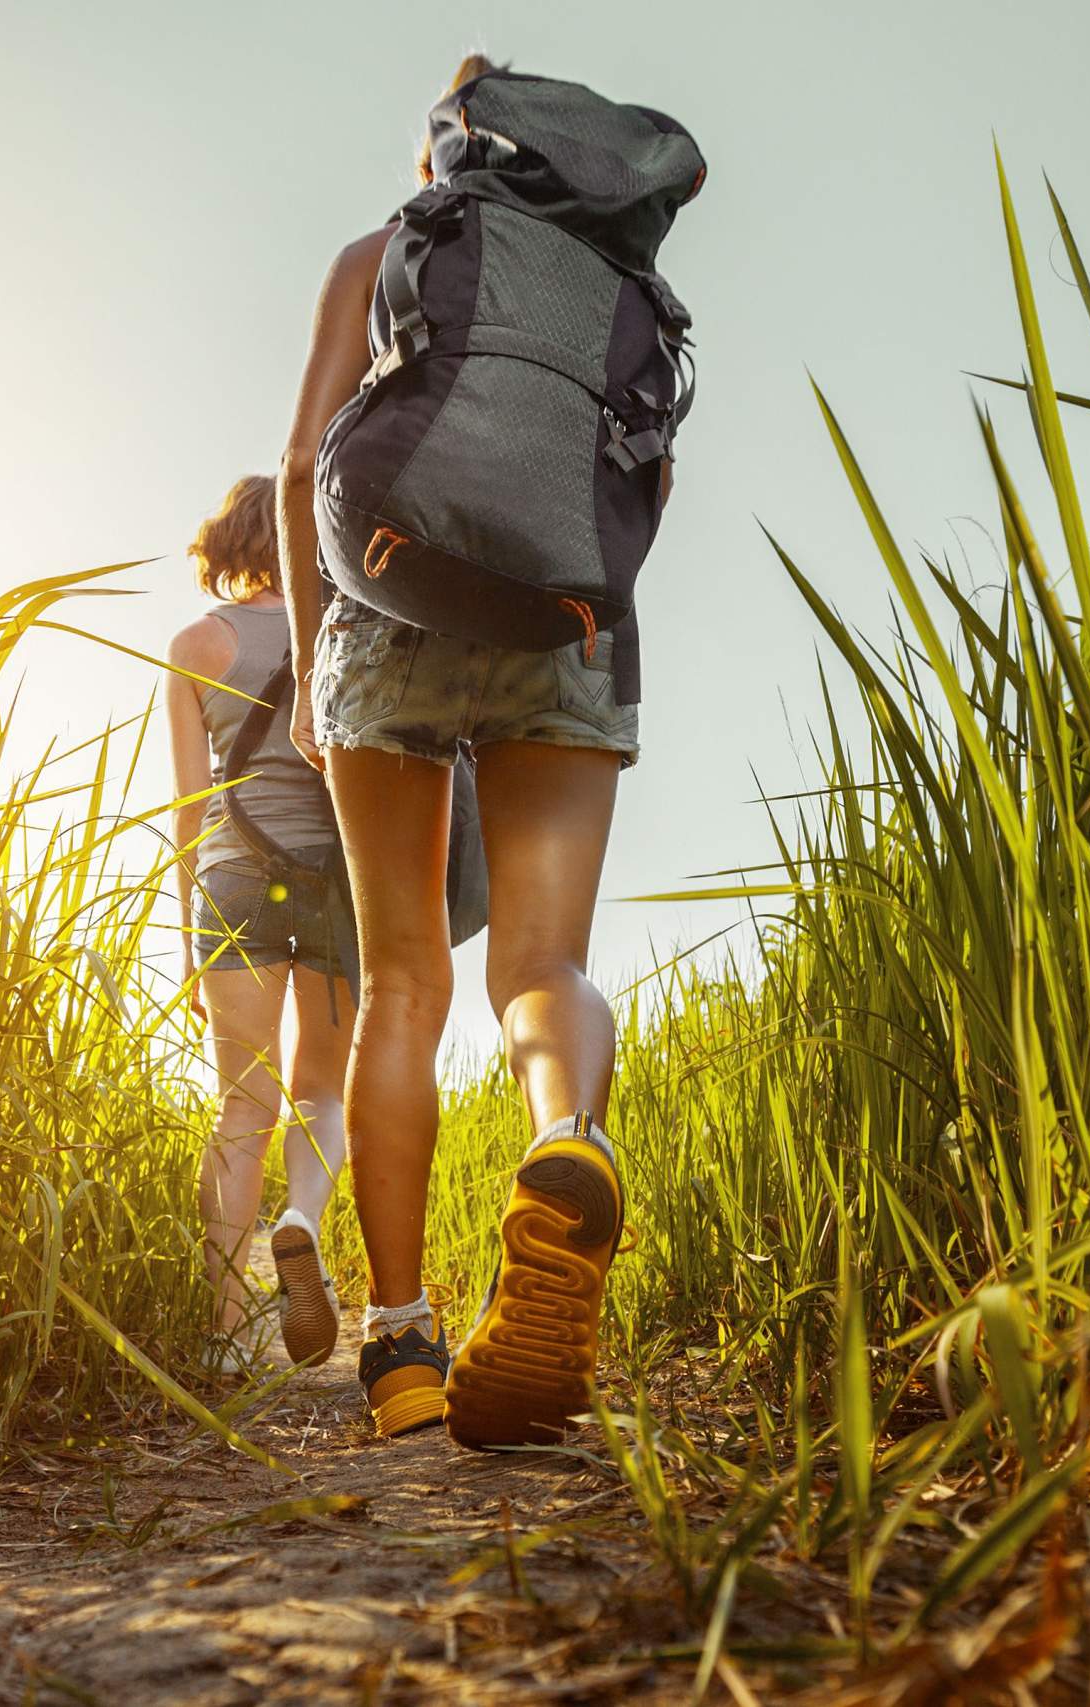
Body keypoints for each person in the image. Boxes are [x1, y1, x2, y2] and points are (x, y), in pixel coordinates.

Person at [275, 56, 668, 1445]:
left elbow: (300, 465)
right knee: (542, 963)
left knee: (400, 978)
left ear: (452, 145)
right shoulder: (604, 279)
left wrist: (320, 670)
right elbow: (638, 479)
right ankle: (570, 1137)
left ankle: (399, 1345)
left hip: (384, 611)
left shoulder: (387, 252)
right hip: (564, 620)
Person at [166, 475, 358, 1375]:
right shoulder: (345, 630)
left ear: (224, 550)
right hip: (334, 881)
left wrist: (182, 933)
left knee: (242, 1103)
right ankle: (301, 1219)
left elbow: (187, 806)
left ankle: (227, 1326)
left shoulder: (195, 646)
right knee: (321, 1092)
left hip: (232, 883)